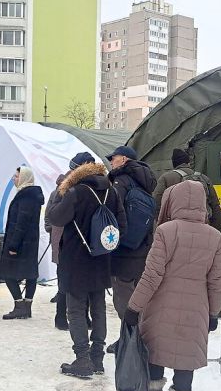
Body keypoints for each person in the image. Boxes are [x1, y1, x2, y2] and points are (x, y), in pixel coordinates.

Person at [125, 180, 221, 391]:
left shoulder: (166, 231)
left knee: (156, 354)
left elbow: (151, 274)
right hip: (196, 309)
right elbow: (217, 280)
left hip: (160, 306)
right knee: (185, 361)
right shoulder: (215, 237)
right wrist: (214, 313)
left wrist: (134, 307)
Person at [47, 160, 126, 378]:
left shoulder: (76, 192)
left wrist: (61, 193)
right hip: (101, 258)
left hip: (75, 259)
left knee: (76, 309)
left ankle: (82, 359)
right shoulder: (112, 192)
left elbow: (56, 217)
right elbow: (122, 224)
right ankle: (97, 358)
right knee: (98, 307)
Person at [105, 146, 158, 354]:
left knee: (123, 299)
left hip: (124, 250)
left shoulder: (121, 181)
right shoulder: (144, 180)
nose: (111, 161)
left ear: (124, 159)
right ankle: (135, 338)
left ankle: (130, 343)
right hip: (142, 246)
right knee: (139, 296)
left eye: (114, 157)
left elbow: (112, 212)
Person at [46, 152, 96, 331]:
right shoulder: (65, 187)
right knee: (65, 281)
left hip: (75, 240)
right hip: (65, 241)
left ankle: (83, 316)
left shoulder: (83, 185)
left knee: (80, 279)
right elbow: (50, 213)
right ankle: (61, 317)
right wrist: (53, 231)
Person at [0, 166, 45, 320]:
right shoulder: (31, 196)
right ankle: (27, 307)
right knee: (30, 274)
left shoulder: (25, 197)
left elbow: (21, 223)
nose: (14, 178)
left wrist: (13, 245)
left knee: (8, 273)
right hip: (30, 243)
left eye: (16, 176)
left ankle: (20, 306)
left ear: (24, 178)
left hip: (20, 243)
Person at [152, 148, 221, 229]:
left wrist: (162, 226)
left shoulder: (166, 178)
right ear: (189, 163)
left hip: (176, 228)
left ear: (174, 164)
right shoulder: (203, 178)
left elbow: (156, 204)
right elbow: (215, 205)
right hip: (202, 227)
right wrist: (216, 229)